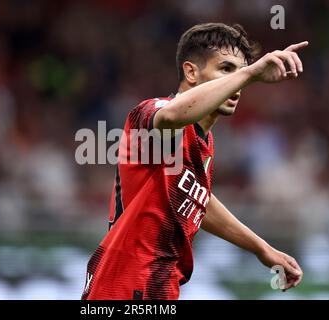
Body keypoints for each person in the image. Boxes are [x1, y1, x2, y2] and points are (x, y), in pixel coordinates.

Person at [82, 23, 307, 300]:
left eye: (241, 71)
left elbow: (199, 202)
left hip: (158, 289)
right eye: (226, 69)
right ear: (191, 72)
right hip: (124, 287)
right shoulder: (152, 112)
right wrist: (250, 73)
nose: (237, 84)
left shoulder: (205, 144)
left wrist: (262, 248)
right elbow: (172, 116)